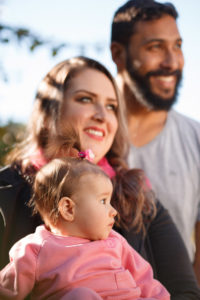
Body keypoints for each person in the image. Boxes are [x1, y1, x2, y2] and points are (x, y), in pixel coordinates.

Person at [0, 56, 199, 299]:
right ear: (51, 108)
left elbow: (184, 291)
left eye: (112, 107)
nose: (102, 115)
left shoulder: (141, 198)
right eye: (85, 99)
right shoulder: (7, 189)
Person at [110, 0, 200, 284]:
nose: (172, 62)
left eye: (177, 46)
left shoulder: (196, 139)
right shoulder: (86, 132)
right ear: (118, 54)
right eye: (155, 47)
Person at [0, 156, 170, 299]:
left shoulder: (115, 240)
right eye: (103, 201)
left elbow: (144, 278)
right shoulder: (35, 248)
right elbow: (7, 291)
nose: (113, 211)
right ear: (68, 208)